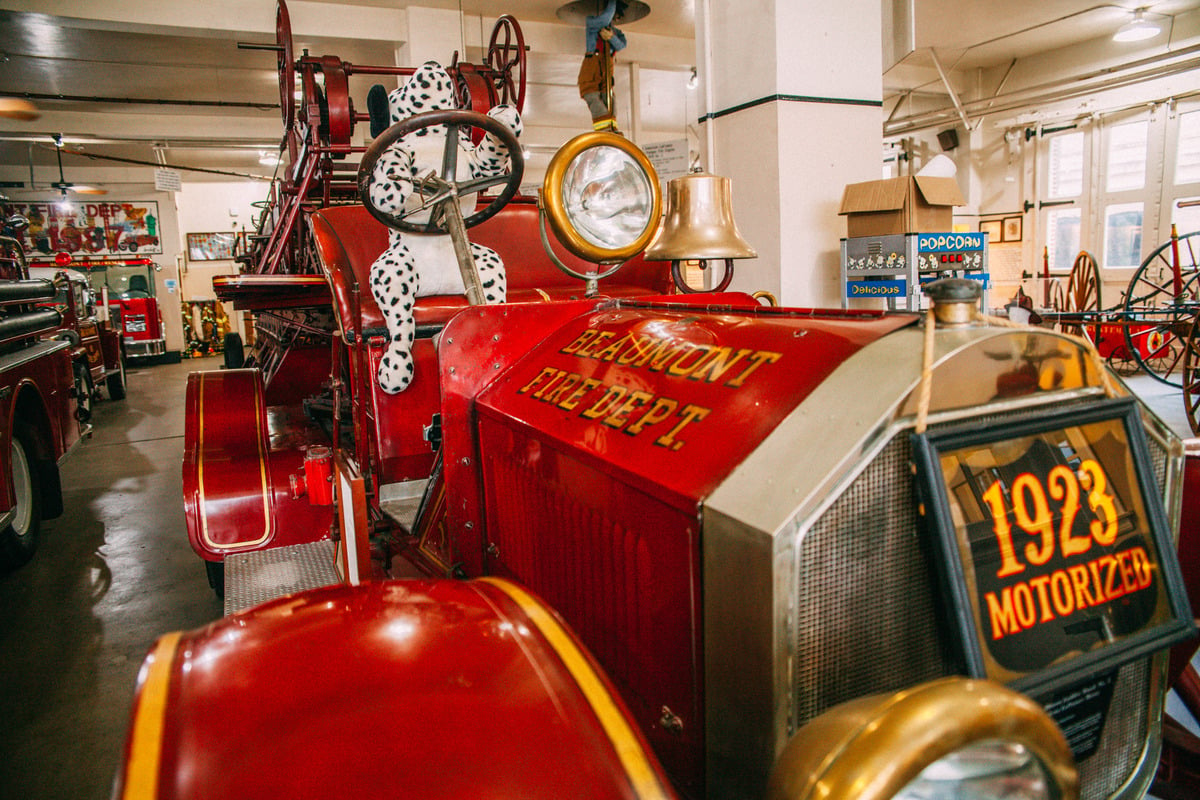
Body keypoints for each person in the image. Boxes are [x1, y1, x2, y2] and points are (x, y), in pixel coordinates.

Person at [577, 0, 627, 132]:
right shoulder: (592, 23)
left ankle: (609, 131)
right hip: (593, 65)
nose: (614, 18)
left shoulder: (616, 33)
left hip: (606, 69)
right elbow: (606, 17)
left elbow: (622, 44)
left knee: (610, 100)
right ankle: (606, 131)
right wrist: (612, 2)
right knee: (593, 98)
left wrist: (611, 37)